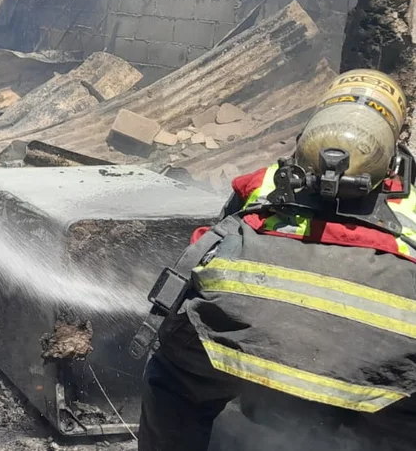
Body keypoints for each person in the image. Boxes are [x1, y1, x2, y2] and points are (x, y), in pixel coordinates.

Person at [135, 69, 416, 450]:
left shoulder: (265, 180)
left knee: (175, 382)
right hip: (385, 364)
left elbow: (209, 244)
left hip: (239, 334)